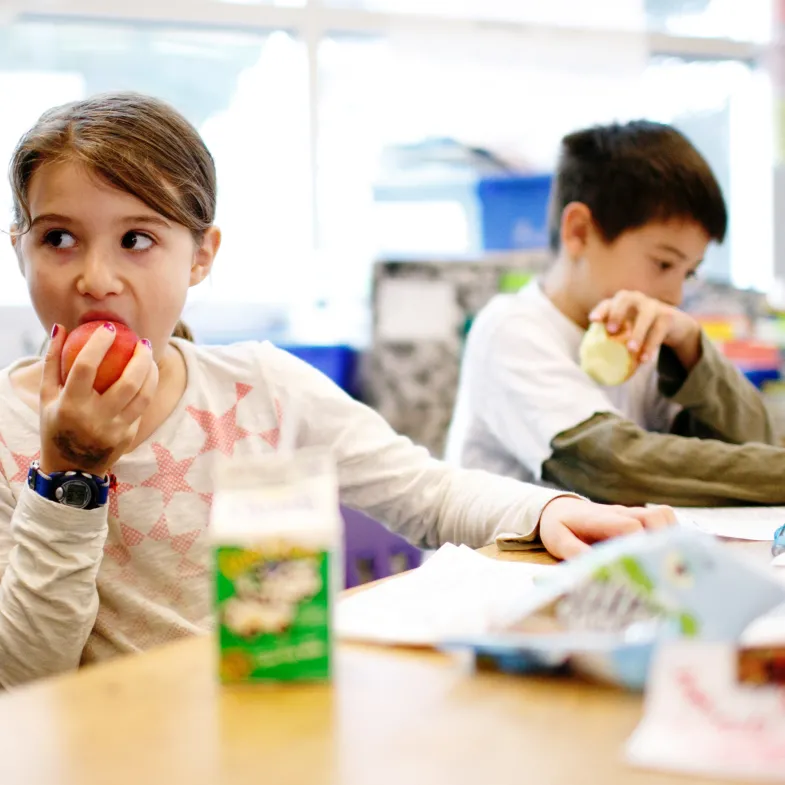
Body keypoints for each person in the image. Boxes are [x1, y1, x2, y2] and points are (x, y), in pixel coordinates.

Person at [0, 94, 672, 688]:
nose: (95, 277)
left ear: (201, 255)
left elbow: (428, 493)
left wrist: (547, 509)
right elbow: (28, 679)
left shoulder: (258, 388)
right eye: (59, 237)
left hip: (260, 732)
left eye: (136, 238)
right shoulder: (8, 425)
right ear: (18, 248)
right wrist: (69, 476)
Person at [447, 120, 785, 506]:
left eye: (688, 272)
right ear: (579, 232)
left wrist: (693, 349)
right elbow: (611, 469)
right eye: (662, 264)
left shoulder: (641, 338)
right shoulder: (511, 329)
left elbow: (752, 446)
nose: (675, 295)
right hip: (500, 563)